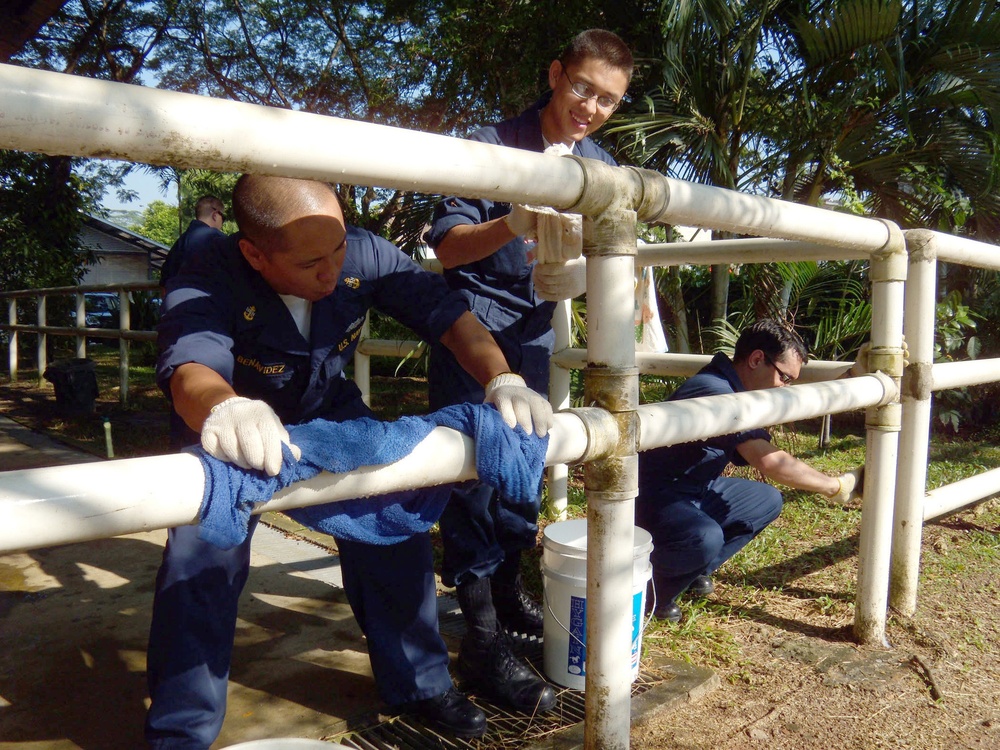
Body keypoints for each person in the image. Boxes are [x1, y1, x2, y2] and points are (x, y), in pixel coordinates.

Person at [145, 174, 555, 747]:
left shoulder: (361, 250)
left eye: (337, 249)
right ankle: (180, 732)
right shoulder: (205, 270)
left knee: (393, 525)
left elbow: (448, 314)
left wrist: (501, 375)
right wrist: (227, 409)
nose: (332, 270)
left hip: (327, 409)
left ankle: (420, 682)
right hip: (227, 420)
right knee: (203, 559)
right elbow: (191, 367)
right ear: (253, 253)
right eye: (311, 261)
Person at [423, 28, 633, 708]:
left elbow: (606, 261)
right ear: (554, 74)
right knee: (474, 475)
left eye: (607, 99)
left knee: (526, 469)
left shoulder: (599, 163)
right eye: (582, 88)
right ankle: (480, 636)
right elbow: (449, 251)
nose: (591, 108)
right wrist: (514, 223)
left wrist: (573, 280)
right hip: (473, 323)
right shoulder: (489, 143)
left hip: (537, 329)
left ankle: (509, 599)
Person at [636, 319, 863, 624]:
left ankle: (690, 572)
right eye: (785, 378)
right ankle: (652, 593)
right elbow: (769, 461)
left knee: (765, 500)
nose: (787, 388)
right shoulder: (717, 392)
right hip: (652, 500)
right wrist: (835, 486)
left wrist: (855, 377)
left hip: (695, 491)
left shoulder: (733, 388)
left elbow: (803, 399)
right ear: (757, 359)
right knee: (705, 538)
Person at [159, 194, 227, 290]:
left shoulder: (179, 243)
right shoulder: (219, 240)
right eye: (223, 218)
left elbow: (164, 283)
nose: (222, 223)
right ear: (215, 215)